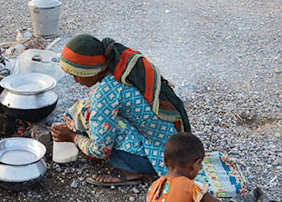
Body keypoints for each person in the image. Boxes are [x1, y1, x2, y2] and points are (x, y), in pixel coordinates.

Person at [51, 34, 190, 186]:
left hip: (159, 159)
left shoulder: (105, 94)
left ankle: (130, 172)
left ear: (91, 70)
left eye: (76, 75)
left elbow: (100, 150)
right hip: (175, 144)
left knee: (95, 119)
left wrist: (72, 137)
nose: (76, 81)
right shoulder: (123, 69)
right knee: (93, 111)